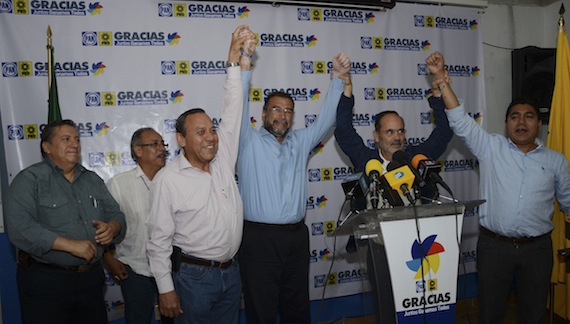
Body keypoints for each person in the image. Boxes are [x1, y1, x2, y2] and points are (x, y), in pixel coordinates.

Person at [431, 51, 570, 323]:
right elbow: (459, 120)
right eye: (515, 117)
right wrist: (440, 78)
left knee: (533, 315)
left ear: (538, 124)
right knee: (490, 314)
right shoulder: (491, 147)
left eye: (528, 116)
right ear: (506, 124)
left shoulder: (557, 161)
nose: (521, 122)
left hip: (537, 250)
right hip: (495, 248)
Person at [333, 52, 454, 324]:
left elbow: (444, 132)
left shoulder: (414, 157)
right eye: (389, 132)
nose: (397, 137)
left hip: (420, 246)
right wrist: (347, 90)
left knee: (421, 309)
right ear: (376, 136)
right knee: (388, 310)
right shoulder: (367, 160)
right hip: (380, 250)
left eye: (400, 131)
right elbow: (343, 131)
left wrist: (436, 97)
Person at [146, 25, 253, 323]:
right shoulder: (168, 180)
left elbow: (233, 108)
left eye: (212, 130)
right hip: (193, 280)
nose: (211, 137)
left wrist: (234, 59)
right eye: (200, 132)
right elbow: (158, 242)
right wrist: (165, 289)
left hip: (231, 274)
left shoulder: (222, 160)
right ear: (181, 140)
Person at [237, 51, 352, 323]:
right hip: (259, 240)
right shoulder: (246, 140)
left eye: (288, 111)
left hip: (296, 239)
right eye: (276, 109)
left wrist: (337, 78)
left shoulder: (300, 142)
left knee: (297, 309)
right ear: (263, 113)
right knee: (261, 311)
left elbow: (327, 119)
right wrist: (244, 67)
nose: (282, 115)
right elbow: (237, 105)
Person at [5, 119, 126, 324]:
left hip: (90, 281)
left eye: (77, 139)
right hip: (47, 282)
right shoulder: (30, 180)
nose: (74, 144)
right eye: (66, 139)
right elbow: (20, 227)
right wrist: (69, 245)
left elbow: (117, 214)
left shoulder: (92, 180)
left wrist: (112, 227)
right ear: (47, 147)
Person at [103, 127, 171, 323]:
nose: (161, 149)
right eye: (154, 144)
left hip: (171, 268)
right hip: (134, 270)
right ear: (138, 151)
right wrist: (108, 258)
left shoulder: (174, 181)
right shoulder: (118, 184)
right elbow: (102, 226)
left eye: (162, 144)